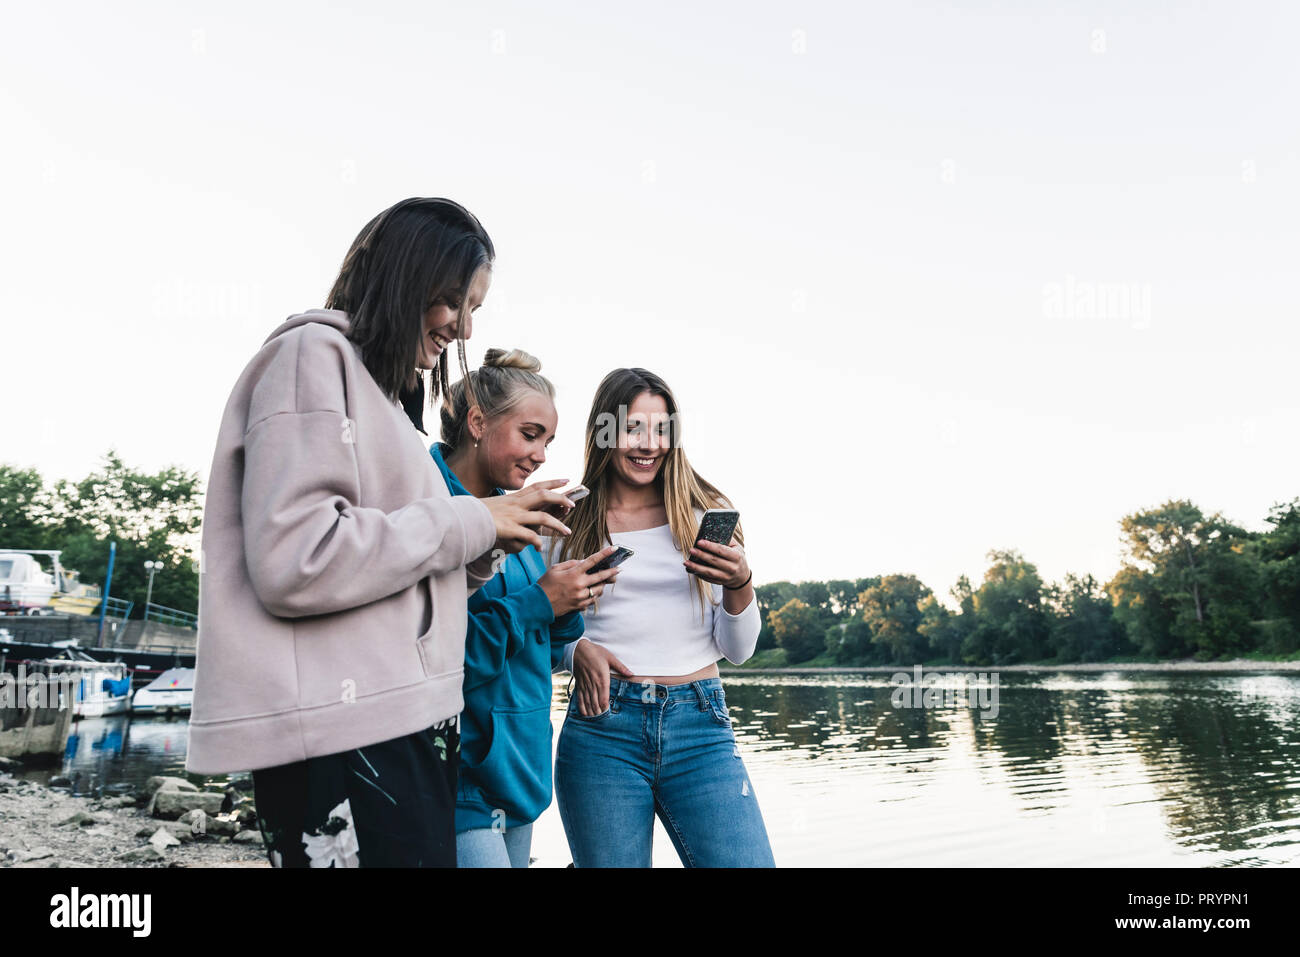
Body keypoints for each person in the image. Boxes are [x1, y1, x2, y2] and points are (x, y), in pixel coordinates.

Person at [186, 197, 573, 868]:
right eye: (455, 299)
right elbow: (296, 558)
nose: (463, 326)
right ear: (404, 275)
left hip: (405, 724)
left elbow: (393, 564)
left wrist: (487, 542)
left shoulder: (389, 400)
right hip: (345, 738)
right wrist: (472, 521)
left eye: (475, 307)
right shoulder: (311, 354)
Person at [549, 367, 776, 867]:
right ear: (602, 432)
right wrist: (574, 650)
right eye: (632, 428)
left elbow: (738, 651)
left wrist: (739, 583)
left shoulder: (704, 514)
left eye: (660, 429)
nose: (647, 443)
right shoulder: (564, 520)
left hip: (700, 725)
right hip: (601, 728)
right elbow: (537, 628)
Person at [425, 347, 622, 868]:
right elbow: (432, 658)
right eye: (529, 434)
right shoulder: (428, 508)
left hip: (521, 778)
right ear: (477, 421)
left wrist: (573, 603)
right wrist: (540, 601)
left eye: (548, 441)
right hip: (456, 779)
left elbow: (548, 641)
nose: (540, 455)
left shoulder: (525, 512)